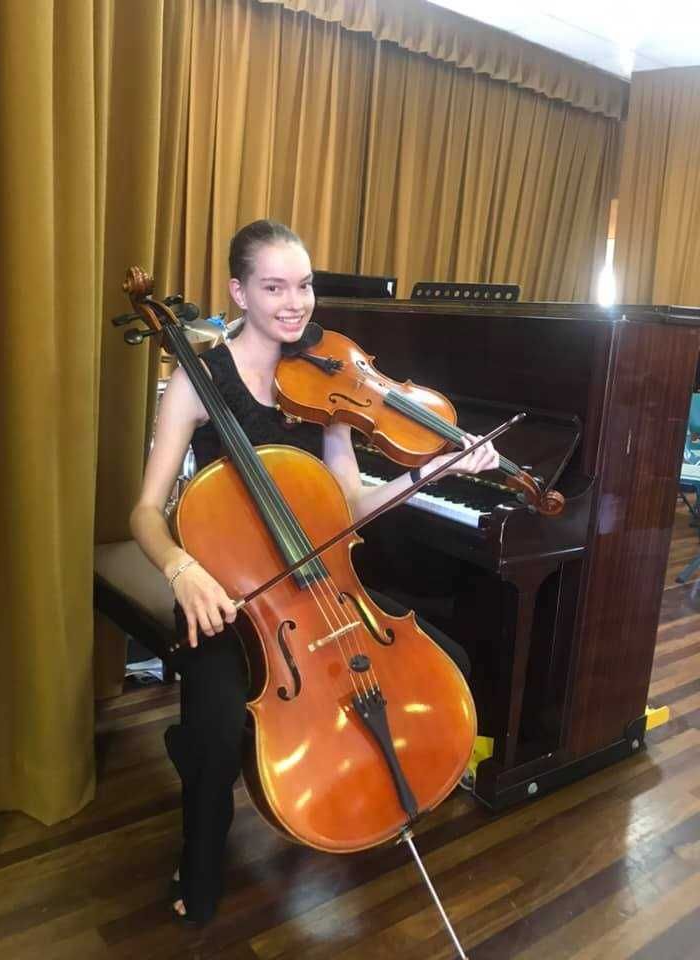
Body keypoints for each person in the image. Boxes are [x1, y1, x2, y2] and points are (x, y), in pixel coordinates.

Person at [130, 219, 499, 924]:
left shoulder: (324, 380)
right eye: (274, 287)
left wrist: (431, 470)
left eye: (303, 285)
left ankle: (352, 798)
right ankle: (198, 864)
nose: (295, 303)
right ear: (239, 291)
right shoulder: (196, 380)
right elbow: (146, 512)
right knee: (211, 731)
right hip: (227, 591)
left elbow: (350, 506)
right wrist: (180, 569)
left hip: (317, 585)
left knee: (440, 665)